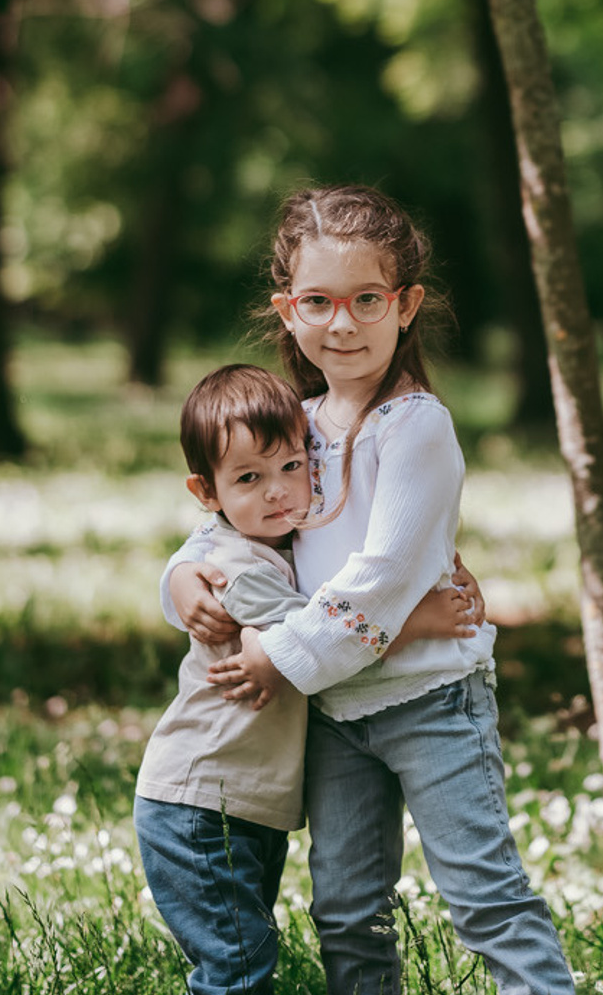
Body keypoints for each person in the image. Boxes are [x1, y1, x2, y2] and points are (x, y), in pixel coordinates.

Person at [164, 185, 578, 995]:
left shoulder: (415, 425)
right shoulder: (300, 422)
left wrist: (279, 656)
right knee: (348, 912)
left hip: (431, 703)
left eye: (366, 300)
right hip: (336, 716)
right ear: (287, 310)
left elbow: (380, 575)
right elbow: (232, 517)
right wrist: (180, 580)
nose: (342, 323)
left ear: (406, 304)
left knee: (484, 898)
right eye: (318, 301)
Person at [135, 362, 478, 995]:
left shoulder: (280, 544)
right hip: (200, 803)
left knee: (243, 957)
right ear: (205, 492)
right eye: (249, 478)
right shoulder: (241, 570)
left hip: (243, 803)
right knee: (236, 970)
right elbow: (324, 637)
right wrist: (416, 619)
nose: (278, 492)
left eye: (293, 467)